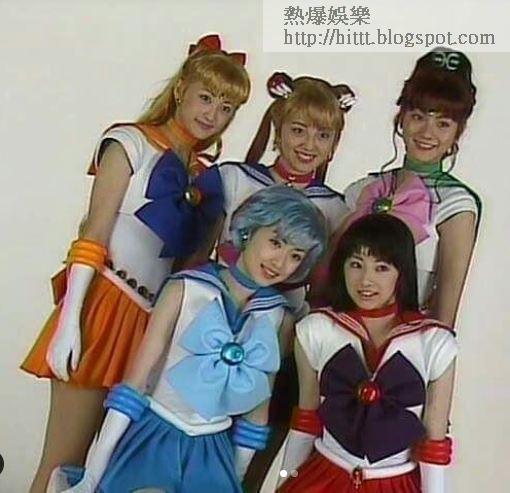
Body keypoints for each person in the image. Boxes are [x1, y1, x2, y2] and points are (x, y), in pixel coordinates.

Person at [20, 33, 250, 492]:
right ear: (181, 88)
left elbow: (192, 272)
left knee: (111, 475)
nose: (212, 115)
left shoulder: (206, 178)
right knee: (62, 462)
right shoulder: (130, 142)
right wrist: (70, 320)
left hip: (154, 328)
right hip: (103, 310)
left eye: (226, 108)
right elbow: (94, 233)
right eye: (206, 98)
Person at [47, 185, 328, 493]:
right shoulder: (184, 288)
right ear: (249, 230)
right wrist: (92, 476)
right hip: (153, 437)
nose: (280, 262)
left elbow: (256, 414)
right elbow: (134, 385)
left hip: (213, 452)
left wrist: (234, 479)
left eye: (295, 255)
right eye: (276, 242)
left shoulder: (278, 318)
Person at [274, 214, 457, 493]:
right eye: (356, 265)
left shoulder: (435, 343)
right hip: (322, 477)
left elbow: (434, 442)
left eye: (381, 268)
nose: (366, 280)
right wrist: (286, 481)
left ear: (402, 273)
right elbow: (306, 421)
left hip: (395, 483)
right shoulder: (316, 329)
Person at [342, 48, 481, 326]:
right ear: (401, 119)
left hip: (407, 342)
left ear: (458, 131)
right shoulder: (362, 190)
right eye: (418, 117)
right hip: (340, 334)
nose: (427, 133)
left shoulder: (456, 204)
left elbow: (444, 317)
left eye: (443, 123)